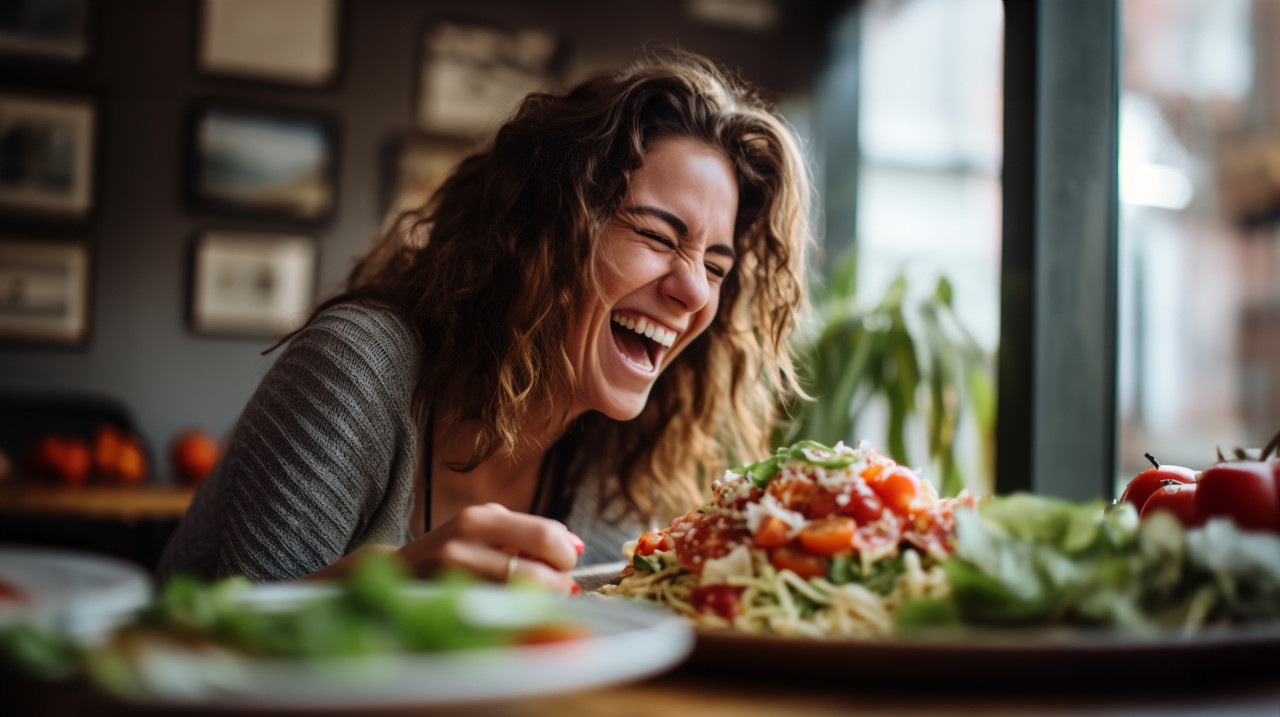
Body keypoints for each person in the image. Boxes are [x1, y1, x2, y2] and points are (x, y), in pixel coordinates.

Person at [157, 50, 813, 593]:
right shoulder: (356, 368)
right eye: (657, 236)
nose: (693, 289)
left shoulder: (625, 461)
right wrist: (393, 581)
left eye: (718, 267)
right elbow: (214, 647)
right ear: (546, 233)